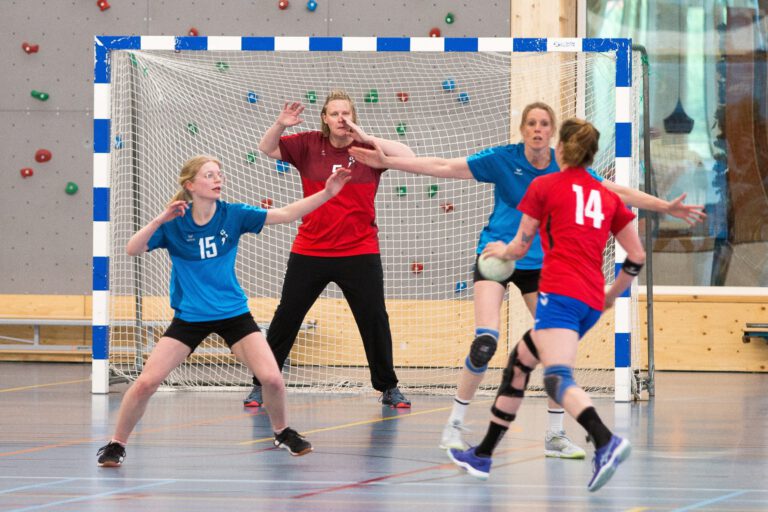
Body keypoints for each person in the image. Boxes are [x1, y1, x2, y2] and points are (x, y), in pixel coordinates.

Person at [349, 102, 705, 457]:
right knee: (485, 341)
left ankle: (554, 435)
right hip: (497, 257)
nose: (537, 129)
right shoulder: (502, 159)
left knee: (554, 349)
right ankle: (454, 426)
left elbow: (616, 192)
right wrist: (389, 162)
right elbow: (444, 166)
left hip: (540, 265)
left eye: (544, 124)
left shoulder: (563, 169)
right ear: (523, 129)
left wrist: (665, 207)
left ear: (553, 133)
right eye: (531, 123)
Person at [96, 155, 351, 467]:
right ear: (190, 185)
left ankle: (282, 432)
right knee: (147, 382)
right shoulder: (174, 222)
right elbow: (133, 249)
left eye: (219, 174)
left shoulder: (233, 214)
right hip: (190, 317)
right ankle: (116, 444)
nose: (218, 179)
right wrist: (160, 219)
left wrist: (327, 193)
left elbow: (285, 214)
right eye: (209, 175)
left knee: (271, 378)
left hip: (234, 314)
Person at [447, 117, 645, 492]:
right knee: (519, 365)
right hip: (589, 299)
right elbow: (636, 255)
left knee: (556, 378)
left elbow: (520, 247)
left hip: (560, 295)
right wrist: (611, 294)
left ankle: (605, 440)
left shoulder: (545, 185)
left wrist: (498, 252)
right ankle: (483, 454)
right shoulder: (606, 195)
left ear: (563, 149)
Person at [243, 90, 417, 410]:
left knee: (374, 318)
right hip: (311, 250)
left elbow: (406, 152)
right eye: (335, 114)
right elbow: (266, 148)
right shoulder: (308, 144)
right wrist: (281, 124)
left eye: (346, 114)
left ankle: (388, 387)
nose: (341, 119)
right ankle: (262, 384)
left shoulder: (370, 150)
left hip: (359, 251)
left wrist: (364, 135)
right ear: (325, 118)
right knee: (287, 317)